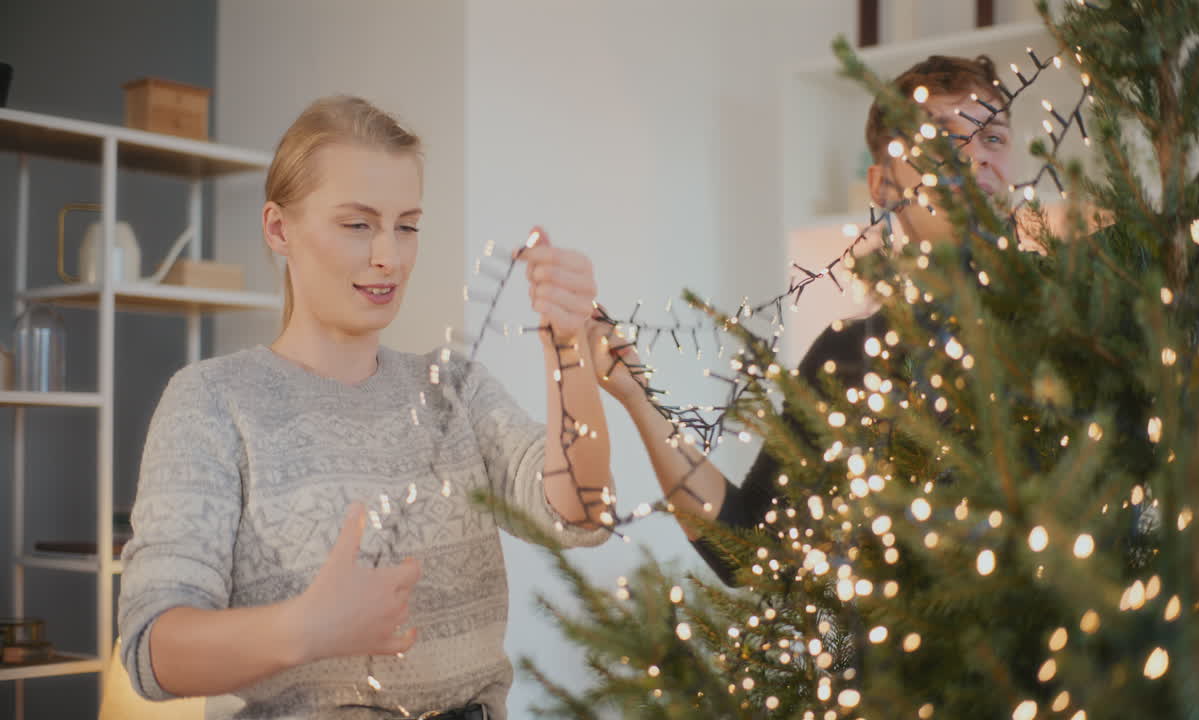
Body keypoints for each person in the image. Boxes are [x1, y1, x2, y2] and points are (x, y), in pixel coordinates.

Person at [118, 96, 613, 719]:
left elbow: (582, 512)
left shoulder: (454, 389)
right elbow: (150, 650)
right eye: (358, 225)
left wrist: (568, 354)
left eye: (407, 225)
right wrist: (304, 628)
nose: (391, 256)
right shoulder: (213, 402)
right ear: (279, 229)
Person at [587, 55, 1019, 586]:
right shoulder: (851, 354)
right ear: (882, 186)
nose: (974, 155)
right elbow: (745, 547)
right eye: (941, 136)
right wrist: (638, 398)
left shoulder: (1078, 312)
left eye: (992, 138)